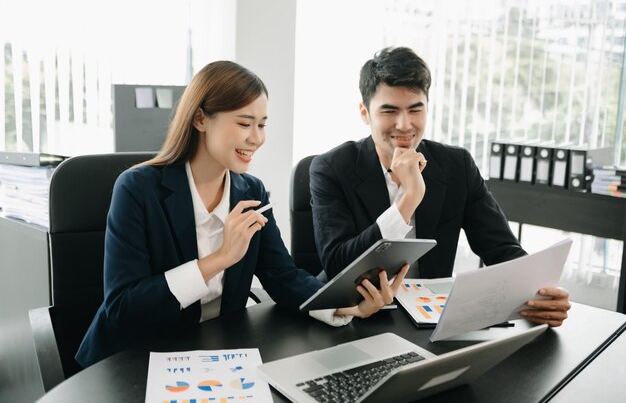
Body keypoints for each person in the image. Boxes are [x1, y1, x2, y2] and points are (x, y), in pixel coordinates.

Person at [76, 60, 409, 368]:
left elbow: (283, 276)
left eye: (262, 124)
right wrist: (220, 258)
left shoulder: (250, 191)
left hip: (212, 355)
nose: (257, 138)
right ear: (200, 119)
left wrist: (347, 305)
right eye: (244, 123)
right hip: (129, 360)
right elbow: (122, 308)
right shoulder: (137, 189)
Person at [309, 47, 570, 327]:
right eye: (389, 111)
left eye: (415, 109)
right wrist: (408, 199)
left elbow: (502, 250)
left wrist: (539, 294)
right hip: (353, 317)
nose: (404, 124)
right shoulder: (331, 168)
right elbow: (337, 265)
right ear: (365, 113)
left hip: (431, 321)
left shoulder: (456, 166)